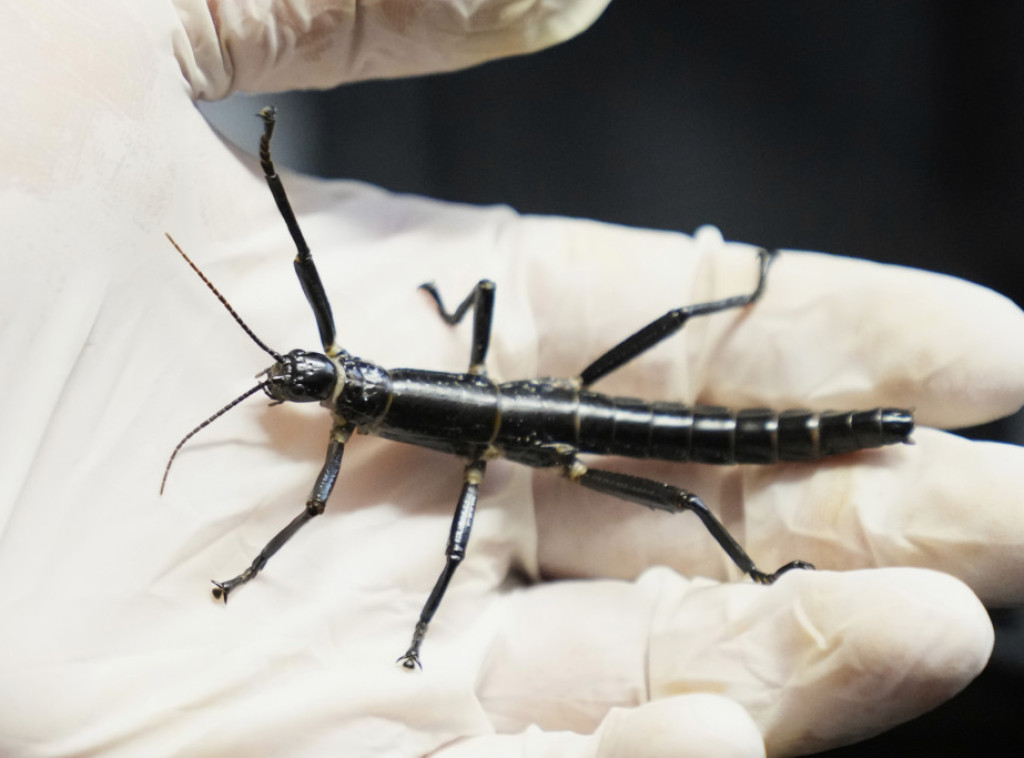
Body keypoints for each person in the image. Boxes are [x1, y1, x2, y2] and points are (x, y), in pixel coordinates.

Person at [2, 2, 1023, 756]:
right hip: (546, 420)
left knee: (692, 456)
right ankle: (759, 562)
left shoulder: (354, 413)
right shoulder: (358, 398)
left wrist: (273, 168)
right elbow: (321, 484)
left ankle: (777, 501)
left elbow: (316, 481)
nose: (304, 376)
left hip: (557, 424)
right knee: (684, 491)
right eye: (311, 381)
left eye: (313, 378)